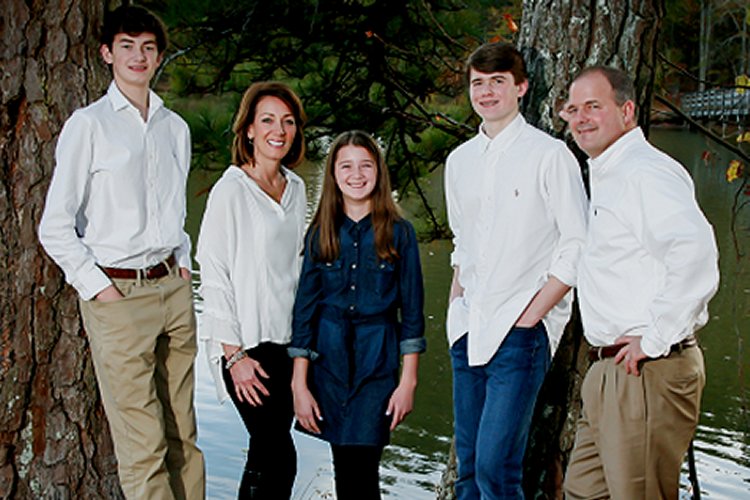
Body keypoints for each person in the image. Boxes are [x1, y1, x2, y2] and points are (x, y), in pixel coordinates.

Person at [37, 5, 204, 499]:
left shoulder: (175, 128)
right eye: (127, 46)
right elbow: (55, 226)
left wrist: (183, 263)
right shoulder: (88, 126)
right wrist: (101, 290)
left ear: (158, 58)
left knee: (184, 438)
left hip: (172, 290)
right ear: (108, 53)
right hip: (118, 296)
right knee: (143, 447)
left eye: (148, 48)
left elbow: (176, 215)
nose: (138, 56)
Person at [559, 66, 719, 499]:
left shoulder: (643, 172)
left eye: (595, 106)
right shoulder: (608, 173)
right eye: (573, 108)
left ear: (627, 111)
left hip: (645, 371)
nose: (581, 117)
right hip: (611, 373)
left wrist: (655, 337)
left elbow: (695, 252)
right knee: (583, 493)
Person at [444, 42, 588, 499]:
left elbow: (578, 245)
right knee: (468, 468)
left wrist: (531, 318)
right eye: (478, 83)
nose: (486, 93)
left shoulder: (550, 156)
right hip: (468, 328)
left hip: (520, 335)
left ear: (521, 87)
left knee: (495, 470)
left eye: (498, 82)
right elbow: (461, 244)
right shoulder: (459, 161)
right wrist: (455, 309)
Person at [289, 130, 426, 500]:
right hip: (329, 366)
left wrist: (408, 382)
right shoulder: (320, 233)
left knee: (362, 472)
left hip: (376, 366)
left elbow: (412, 314)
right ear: (333, 173)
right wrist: (299, 386)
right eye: (346, 165)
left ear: (379, 172)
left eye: (366, 165)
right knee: (343, 470)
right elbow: (304, 313)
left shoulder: (400, 233)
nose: (356, 174)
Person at [195, 81, 307, 499]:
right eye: (267, 121)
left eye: (288, 121)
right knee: (277, 455)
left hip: (286, 347)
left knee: (270, 456)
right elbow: (214, 273)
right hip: (245, 349)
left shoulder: (295, 188)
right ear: (248, 130)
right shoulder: (230, 190)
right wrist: (234, 355)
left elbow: (296, 268)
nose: (278, 130)